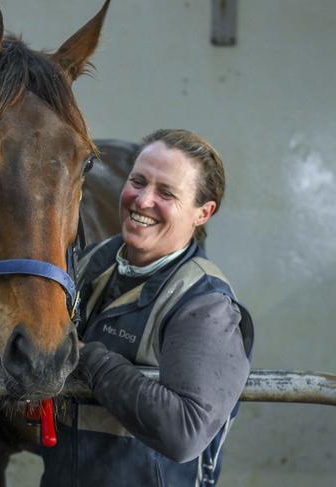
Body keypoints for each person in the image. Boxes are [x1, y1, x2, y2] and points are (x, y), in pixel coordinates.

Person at [41, 129, 254, 486]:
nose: (142, 201)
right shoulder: (93, 263)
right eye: (137, 182)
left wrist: (87, 358)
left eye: (166, 193)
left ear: (203, 213)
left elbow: (184, 432)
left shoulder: (204, 304)